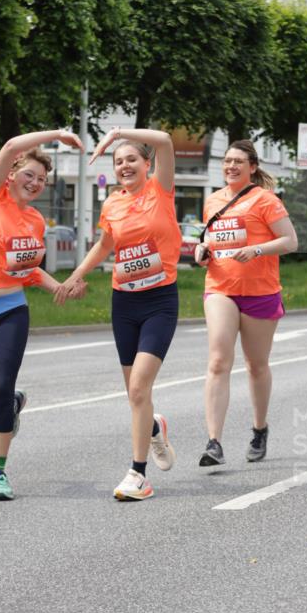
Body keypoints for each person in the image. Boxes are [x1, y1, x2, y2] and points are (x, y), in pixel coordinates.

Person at [0, 128, 86, 501]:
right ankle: (9, 406)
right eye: (29, 174)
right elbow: (9, 146)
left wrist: (59, 287)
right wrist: (58, 134)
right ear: (10, 174)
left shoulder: (35, 222)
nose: (36, 182)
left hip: (11, 309)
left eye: (42, 179)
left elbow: (26, 269)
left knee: (0, 384)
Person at [55, 127, 180, 501]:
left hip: (159, 299)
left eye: (131, 159)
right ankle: (154, 428)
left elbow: (165, 141)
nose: (124, 165)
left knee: (140, 387)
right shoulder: (112, 204)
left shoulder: (162, 189)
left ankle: (138, 475)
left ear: (147, 164)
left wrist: (116, 134)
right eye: (118, 161)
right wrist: (74, 277)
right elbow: (105, 245)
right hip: (124, 302)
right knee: (134, 395)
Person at [195, 140, 298, 467]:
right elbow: (209, 238)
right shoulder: (212, 201)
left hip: (259, 291)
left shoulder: (265, 200)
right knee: (218, 361)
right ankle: (214, 442)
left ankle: (259, 428)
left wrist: (257, 250)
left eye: (238, 161)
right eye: (227, 161)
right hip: (220, 287)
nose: (231, 166)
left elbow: (290, 241)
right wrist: (201, 251)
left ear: (252, 167)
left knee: (256, 365)